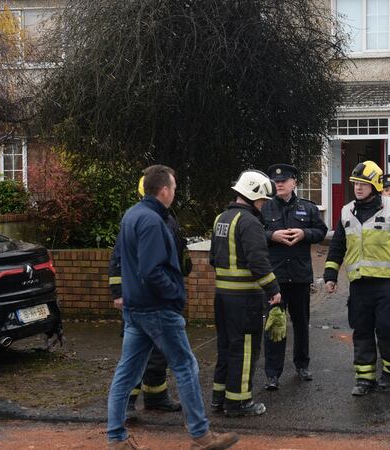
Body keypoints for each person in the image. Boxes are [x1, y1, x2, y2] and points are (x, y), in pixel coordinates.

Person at [106, 165, 237, 450]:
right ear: (163, 190)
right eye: (175, 188)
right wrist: (175, 295)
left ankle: (116, 438)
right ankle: (201, 436)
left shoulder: (132, 215)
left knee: (126, 372)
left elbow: (126, 261)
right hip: (157, 309)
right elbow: (151, 270)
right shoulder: (153, 221)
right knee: (186, 366)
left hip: (135, 310)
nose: (175, 192)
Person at [323, 161, 390, 396]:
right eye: (355, 183)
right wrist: (330, 274)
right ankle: (364, 378)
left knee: (387, 329)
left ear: (374, 185)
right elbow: (337, 246)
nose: (357, 188)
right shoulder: (347, 211)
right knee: (362, 330)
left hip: (389, 283)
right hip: (360, 283)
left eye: (363, 184)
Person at [108, 176, 190, 417]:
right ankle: (127, 406)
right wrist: (118, 293)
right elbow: (118, 259)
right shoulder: (141, 220)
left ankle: (156, 396)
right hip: (142, 299)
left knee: (158, 354)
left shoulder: (166, 219)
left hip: (159, 298)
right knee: (135, 356)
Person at [210, 169, 282, 417]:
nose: (263, 206)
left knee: (226, 347)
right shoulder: (250, 222)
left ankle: (219, 398)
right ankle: (239, 402)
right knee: (245, 349)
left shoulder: (221, 218)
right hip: (245, 299)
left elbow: (212, 259)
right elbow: (258, 261)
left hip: (222, 297)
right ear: (252, 195)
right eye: (262, 200)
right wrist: (273, 290)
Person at [261, 163, 328, 390]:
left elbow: (321, 231)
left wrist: (304, 233)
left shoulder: (308, 208)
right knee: (274, 324)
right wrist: (272, 235)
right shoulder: (265, 208)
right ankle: (272, 373)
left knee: (301, 324)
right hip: (275, 278)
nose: (279, 184)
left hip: (299, 276)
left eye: (284, 180)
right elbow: (254, 234)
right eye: (276, 181)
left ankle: (302, 365)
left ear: (294, 183)